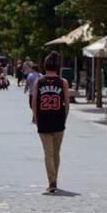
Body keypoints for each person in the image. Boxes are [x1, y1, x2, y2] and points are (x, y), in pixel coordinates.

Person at [33, 51, 69, 193]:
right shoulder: (63, 82)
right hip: (58, 120)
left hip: (44, 120)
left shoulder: (39, 82)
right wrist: (64, 118)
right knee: (56, 152)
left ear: (44, 65)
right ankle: (55, 178)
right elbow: (67, 104)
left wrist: (36, 118)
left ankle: (51, 181)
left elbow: (34, 102)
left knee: (48, 152)